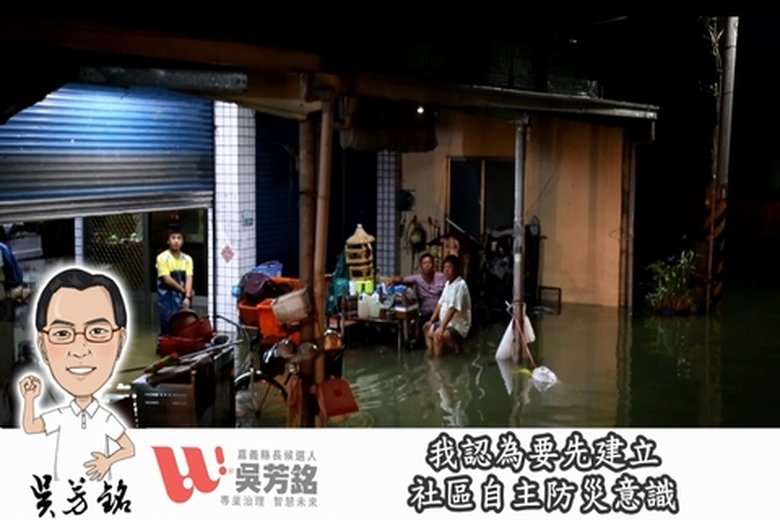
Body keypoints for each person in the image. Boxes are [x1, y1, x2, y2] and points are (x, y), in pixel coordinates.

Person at [17, 267, 135, 481]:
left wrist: (107, 462)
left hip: (101, 493)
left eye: (97, 331)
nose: (79, 350)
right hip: (63, 493)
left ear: (121, 340)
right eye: (62, 333)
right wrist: (29, 399)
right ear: (42, 346)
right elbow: (30, 427)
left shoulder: (105, 418)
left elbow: (129, 448)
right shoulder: (61, 415)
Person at [424, 255, 472, 357]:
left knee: (438, 336)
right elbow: (440, 302)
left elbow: (452, 309)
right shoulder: (448, 284)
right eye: (445, 267)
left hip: (458, 326)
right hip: (446, 323)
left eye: (449, 267)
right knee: (427, 329)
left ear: (456, 269)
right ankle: (431, 357)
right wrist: (431, 321)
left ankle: (438, 363)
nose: (446, 270)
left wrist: (442, 327)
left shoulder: (460, 285)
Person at [155, 224, 194, 335]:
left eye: (179, 238)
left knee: (184, 327)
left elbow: (189, 277)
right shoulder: (162, 258)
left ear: (182, 241)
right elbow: (167, 279)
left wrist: (187, 297)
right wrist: (183, 291)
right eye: (173, 238)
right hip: (167, 298)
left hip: (183, 297)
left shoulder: (187, 259)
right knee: (167, 326)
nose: (176, 241)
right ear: (168, 241)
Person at [389, 252, 446, 325]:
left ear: (433, 264)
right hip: (424, 313)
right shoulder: (417, 278)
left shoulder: (441, 276)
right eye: (424, 263)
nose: (427, 265)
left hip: (439, 313)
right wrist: (392, 280)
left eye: (429, 263)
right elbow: (402, 279)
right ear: (421, 266)